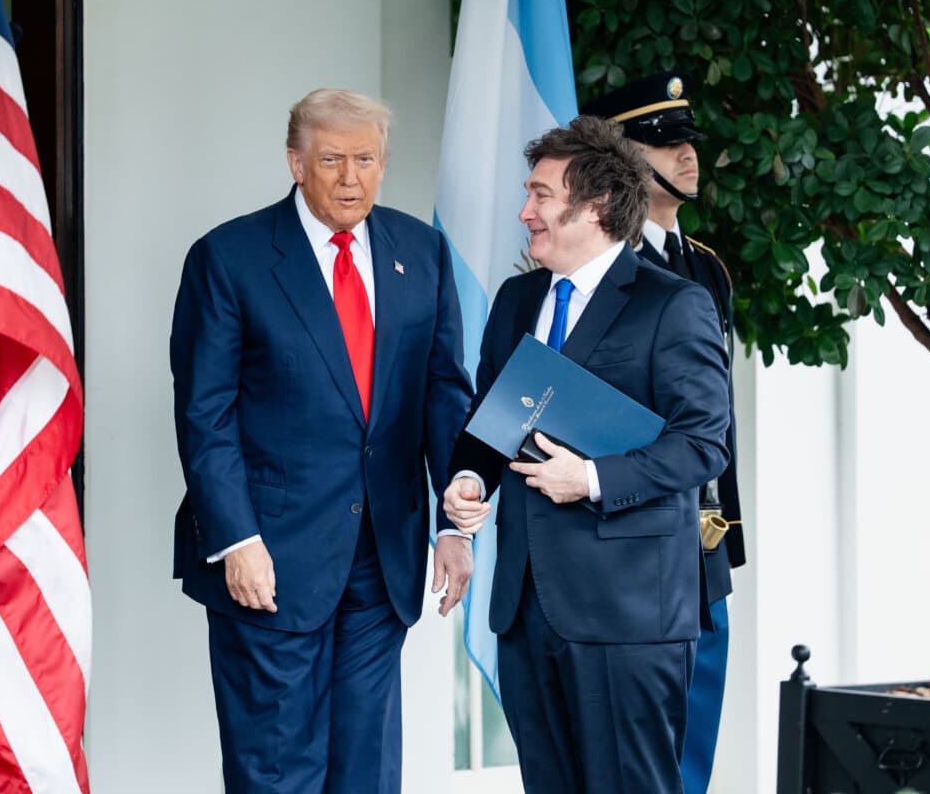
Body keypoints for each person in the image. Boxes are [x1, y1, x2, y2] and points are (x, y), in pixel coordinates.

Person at [170, 89, 475, 794]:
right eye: (332, 159)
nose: (350, 178)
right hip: (269, 560)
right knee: (280, 773)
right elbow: (204, 415)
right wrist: (236, 540)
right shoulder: (229, 257)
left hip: (384, 558)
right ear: (295, 163)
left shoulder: (421, 252)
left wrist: (458, 515)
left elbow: (443, 392)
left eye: (366, 159)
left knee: (367, 774)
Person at [440, 115, 730, 793]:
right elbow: (492, 422)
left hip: (627, 614)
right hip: (524, 608)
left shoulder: (673, 304)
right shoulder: (517, 300)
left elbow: (703, 442)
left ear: (595, 205)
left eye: (540, 196)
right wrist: (465, 481)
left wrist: (593, 478)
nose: (524, 212)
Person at [583, 72, 746, 793]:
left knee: (694, 746)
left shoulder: (704, 266)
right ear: (623, 160)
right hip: (635, 542)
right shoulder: (598, 268)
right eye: (663, 140)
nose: (686, 154)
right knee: (635, 759)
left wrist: (727, 529)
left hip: (701, 540)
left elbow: (716, 417)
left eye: (688, 139)